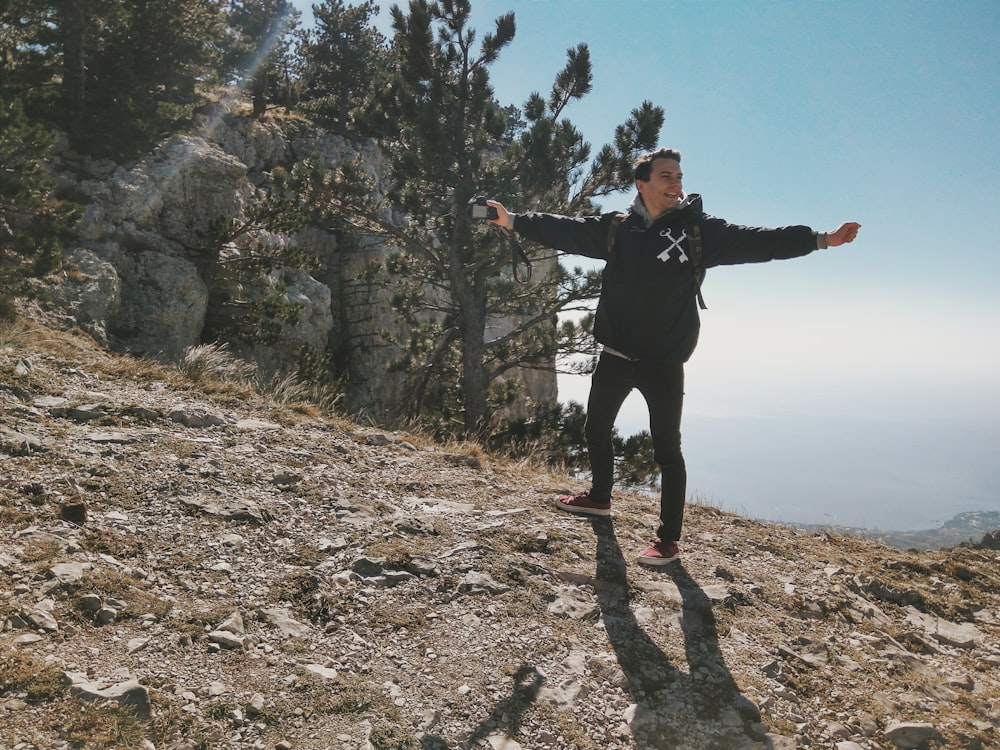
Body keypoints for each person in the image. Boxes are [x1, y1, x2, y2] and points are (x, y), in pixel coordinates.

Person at [486, 147, 860, 566]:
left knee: (667, 450)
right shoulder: (617, 229)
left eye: (679, 176)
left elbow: (760, 241)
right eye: (666, 176)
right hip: (615, 353)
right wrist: (513, 220)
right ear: (642, 184)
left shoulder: (700, 231)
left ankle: (668, 539)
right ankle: (599, 498)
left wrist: (821, 239)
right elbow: (567, 230)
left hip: (664, 362)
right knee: (596, 428)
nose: (676, 183)